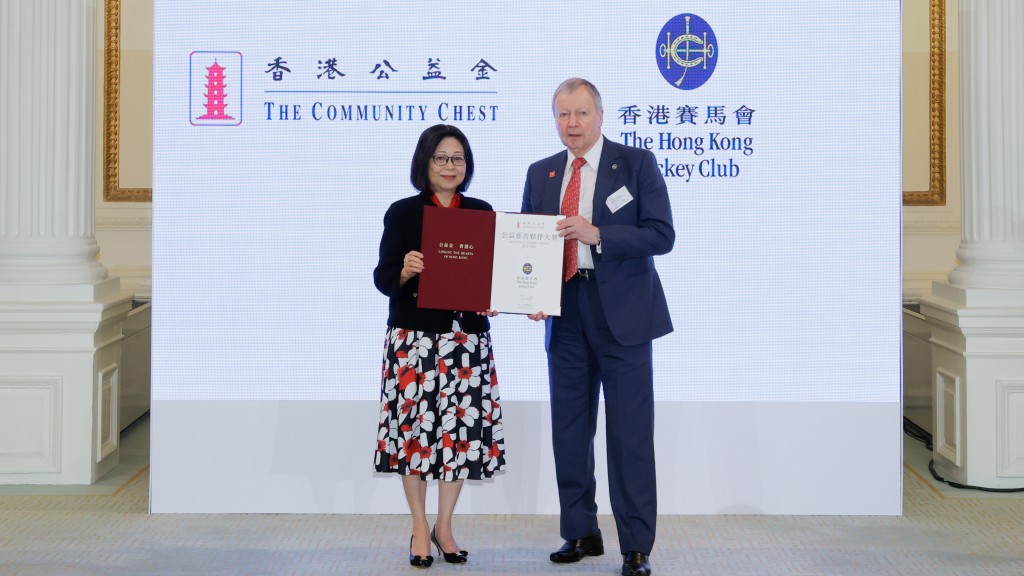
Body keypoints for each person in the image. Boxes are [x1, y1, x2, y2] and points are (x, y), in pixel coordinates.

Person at [522, 78, 674, 576]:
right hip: (565, 312)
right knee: (569, 429)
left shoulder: (636, 164)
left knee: (630, 433)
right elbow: (528, 244)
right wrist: (531, 294)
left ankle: (636, 546)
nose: (572, 124)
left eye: (581, 113)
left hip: (623, 317)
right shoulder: (542, 172)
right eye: (563, 114)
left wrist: (598, 234)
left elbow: (661, 235)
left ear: (601, 116)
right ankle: (581, 530)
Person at [374, 124, 504, 569]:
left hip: (466, 343)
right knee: (414, 436)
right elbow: (382, 278)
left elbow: (493, 276)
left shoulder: (481, 212)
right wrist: (405, 270)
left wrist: (494, 298)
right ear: (425, 162)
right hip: (414, 342)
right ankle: (418, 526)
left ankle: (444, 526)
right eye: (441, 158)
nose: (451, 166)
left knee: (458, 436)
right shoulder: (403, 212)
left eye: (458, 158)